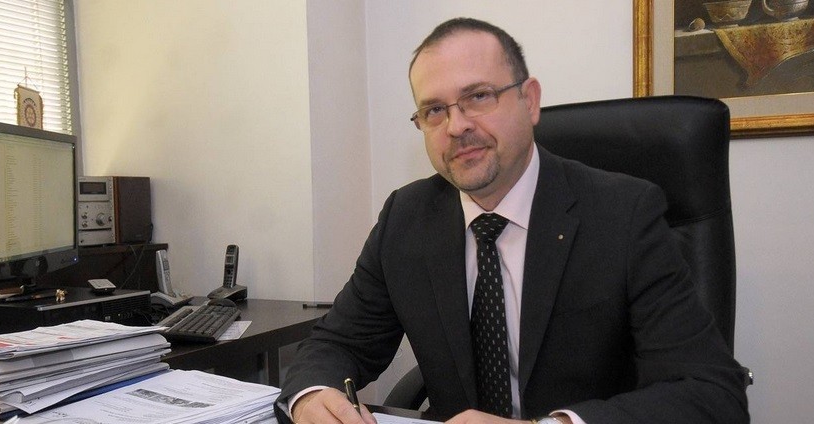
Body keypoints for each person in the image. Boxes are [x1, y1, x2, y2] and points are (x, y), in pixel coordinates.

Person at [276, 17, 750, 424]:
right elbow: (337, 343)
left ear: (530, 100)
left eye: (478, 96)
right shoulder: (407, 217)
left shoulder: (624, 213)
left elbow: (712, 393)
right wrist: (312, 396)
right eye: (434, 110)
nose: (456, 126)